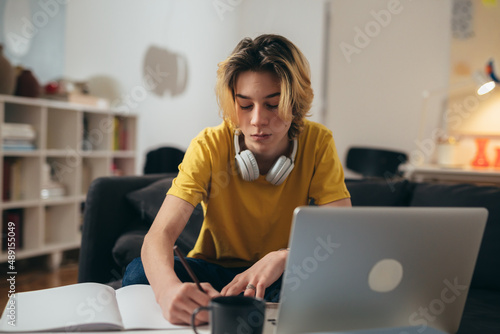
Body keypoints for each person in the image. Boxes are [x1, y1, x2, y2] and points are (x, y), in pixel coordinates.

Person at [122, 34, 352, 325]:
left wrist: (284, 256)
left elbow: (345, 236)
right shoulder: (208, 145)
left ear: (295, 103)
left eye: (272, 104)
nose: (257, 120)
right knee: (138, 273)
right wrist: (168, 292)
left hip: (280, 275)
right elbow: (158, 237)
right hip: (214, 275)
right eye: (245, 105)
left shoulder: (318, 142)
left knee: (337, 279)